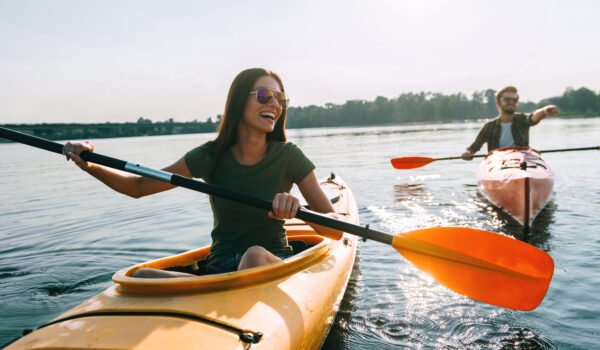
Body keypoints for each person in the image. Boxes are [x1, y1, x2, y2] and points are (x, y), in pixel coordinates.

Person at [63, 68, 343, 278]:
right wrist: (88, 163)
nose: (275, 104)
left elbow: (334, 229)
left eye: (281, 99)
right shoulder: (209, 156)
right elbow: (138, 186)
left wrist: (297, 210)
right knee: (140, 275)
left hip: (268, 262)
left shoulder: (289, 156)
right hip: (219, 268)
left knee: (254, 255)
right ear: (238, 102)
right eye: (264, 95)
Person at [461, 86, 559, 160]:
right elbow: (473, 148)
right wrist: (467, 153)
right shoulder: (489, 127)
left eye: (514, 100)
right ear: (498, 103)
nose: (511, 102)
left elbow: (533, 117)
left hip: (522, 160)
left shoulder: (522, 119)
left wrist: (545, 110)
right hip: (497, 162)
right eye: (507, 99)